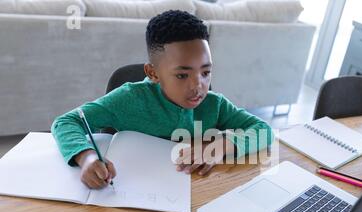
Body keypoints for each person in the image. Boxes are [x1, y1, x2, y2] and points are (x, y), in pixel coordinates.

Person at [51, 10, 273, 189]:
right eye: (182, 75)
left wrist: (223, 144)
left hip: (193, 192)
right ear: (153, 73)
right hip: (132, 192)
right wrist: (86, 157)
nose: (198, 86)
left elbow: (263, 129)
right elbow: (66, 122)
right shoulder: (128, 99)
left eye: (205, 73)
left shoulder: (215, 105)